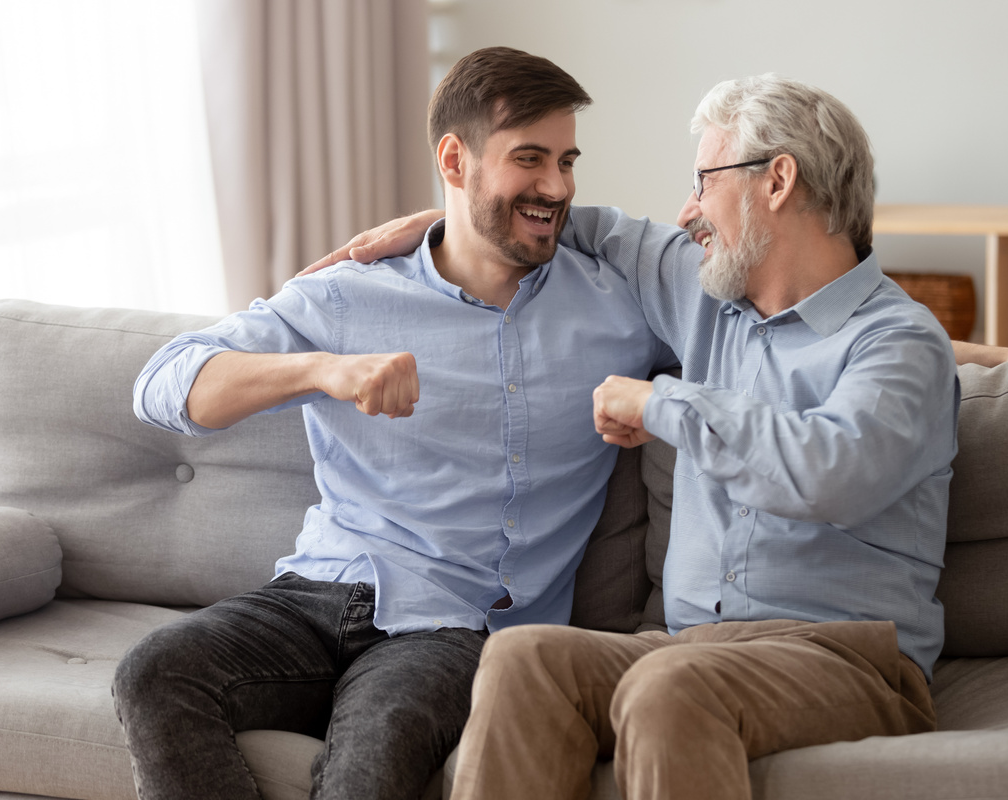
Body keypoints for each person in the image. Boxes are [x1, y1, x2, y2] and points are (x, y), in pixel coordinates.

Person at [114, 46, 676, 800]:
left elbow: (747, 340)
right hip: (317, 592)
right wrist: (323, 369)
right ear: (455, 158)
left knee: (374, 755)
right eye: (530, 159)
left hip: (454, 629)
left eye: (567, 161)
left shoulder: (618, 306)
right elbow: (164, 384)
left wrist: (657, 404)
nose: (558, 186)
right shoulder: (347, 298)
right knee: (154, 671)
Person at [437, 73, 965, 800]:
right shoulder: (706, 294)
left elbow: (829, 470)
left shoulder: (898, 342)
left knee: (669, 684)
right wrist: (430, 226)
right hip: (690, 650)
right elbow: (556, 220)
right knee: (523, 658)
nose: (686, 211)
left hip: (847, 658)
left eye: (704, 181)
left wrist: (665, 405)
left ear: (778, 180)